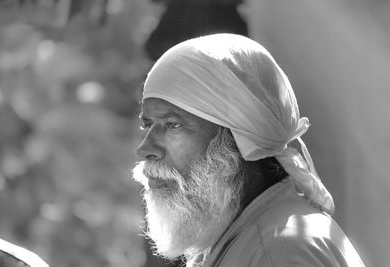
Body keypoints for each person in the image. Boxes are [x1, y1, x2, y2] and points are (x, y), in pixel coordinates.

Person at [132, 33, 365, 267]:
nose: (145, 149)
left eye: (173, 125)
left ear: (238, 136)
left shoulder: (278, 253)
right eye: (148, 125)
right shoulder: (248, 237)